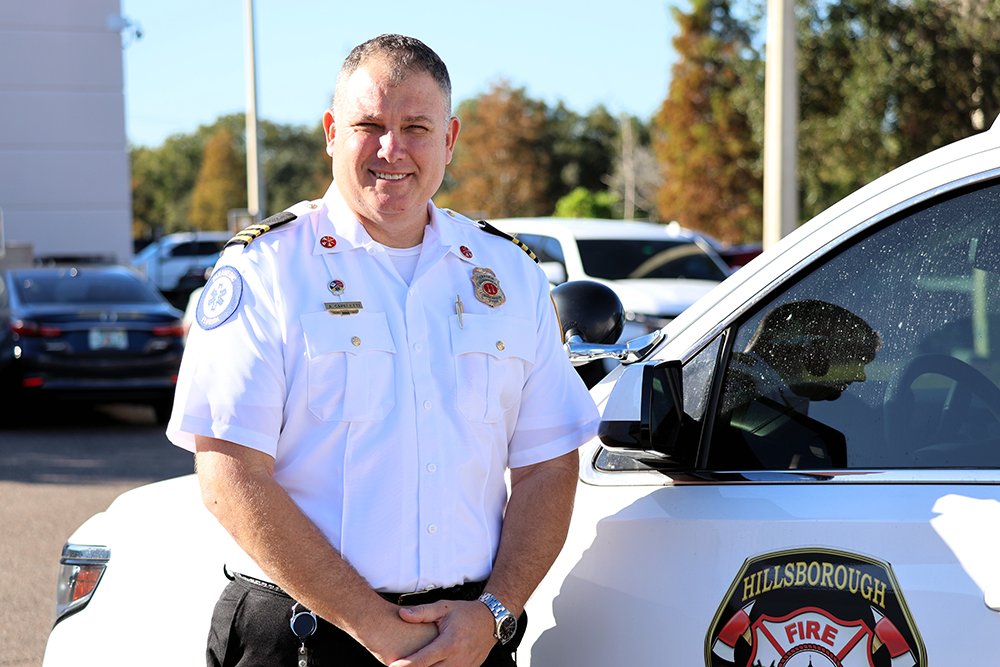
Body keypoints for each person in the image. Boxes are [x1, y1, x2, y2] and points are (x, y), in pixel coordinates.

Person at [166, 34, 598, 667]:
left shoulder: (509, 276)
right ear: (331, 131)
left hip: (468, 640)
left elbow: (546, 466)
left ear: (449, 139)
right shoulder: (267, 271)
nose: (391, 149)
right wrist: (376, 628)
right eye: (369, 125)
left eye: (416, 127)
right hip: (301, 636)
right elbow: (229, 472)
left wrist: (495, 612)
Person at [714, 299, 881, 469]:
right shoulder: (732, 393)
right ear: (815, 352)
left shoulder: (782, 392)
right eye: (854, 361)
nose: (861, 376)